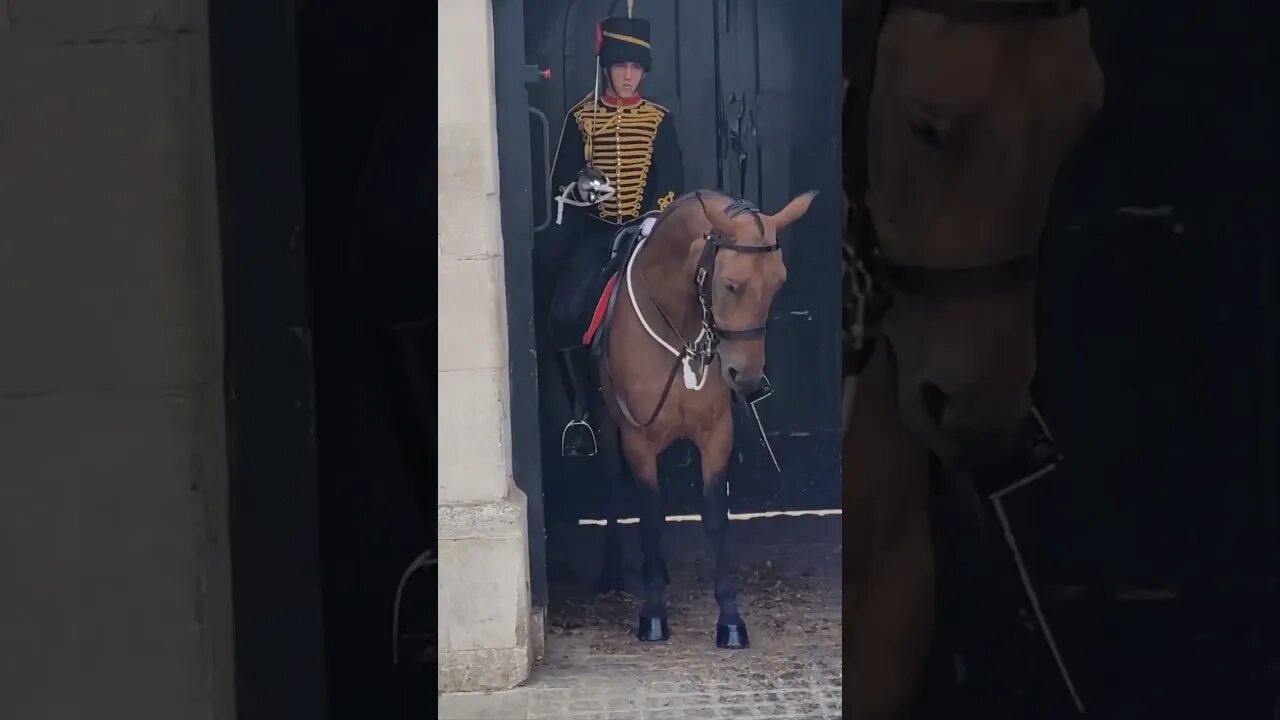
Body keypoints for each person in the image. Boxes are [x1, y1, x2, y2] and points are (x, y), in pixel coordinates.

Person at [545, 14, 685, 457]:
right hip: (596, 233)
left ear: (644, 72)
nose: (628, 76)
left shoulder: (659, 120)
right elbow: (559, 184)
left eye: (636, 68)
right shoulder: (580, 118)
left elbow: (673, 181)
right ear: (607, 67)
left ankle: (685, 415)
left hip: (647, 233)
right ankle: (582, 412)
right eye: (621, 66)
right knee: (564, 312)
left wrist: (653, 217)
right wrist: (580, 188)